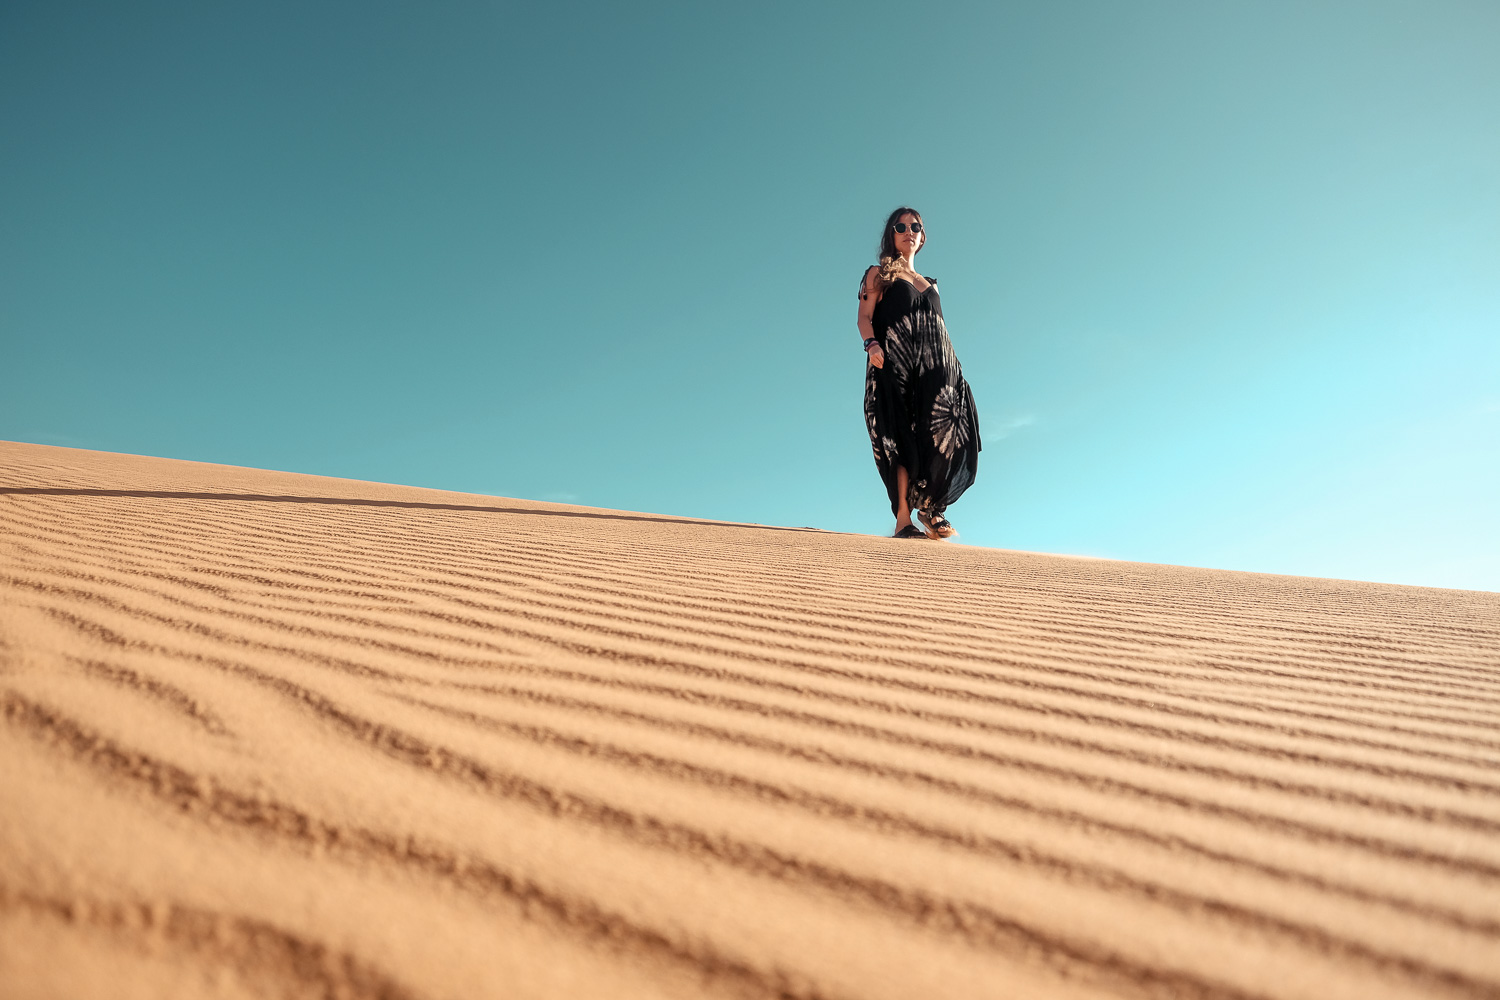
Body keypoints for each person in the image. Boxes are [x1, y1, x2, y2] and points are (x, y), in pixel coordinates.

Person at [857, 207, 981, 539]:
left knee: (944, 435)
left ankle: (929, 506)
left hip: (936, 373)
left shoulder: (930, 284)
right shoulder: (878, 273)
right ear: (891, 235)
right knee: (899, 437)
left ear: (923, 236)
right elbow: (864, 317)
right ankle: (903, 518)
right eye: (900, 226)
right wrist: (871, 344)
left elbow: (939, 329)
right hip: (894, 364)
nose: (908, 231)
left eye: (915, 226)